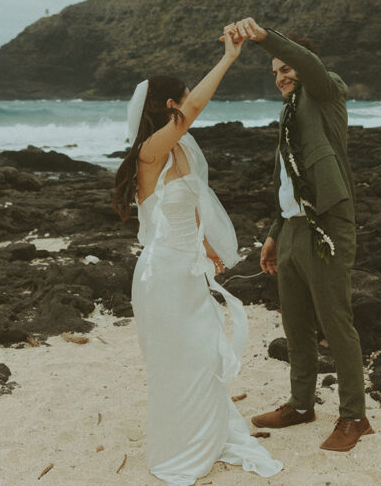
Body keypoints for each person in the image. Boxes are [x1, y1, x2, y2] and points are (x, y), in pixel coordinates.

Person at [112, 26, 283, 485]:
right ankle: (180, 448)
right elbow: (195, 108)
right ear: (172, 107)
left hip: (189, 270)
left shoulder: (181, 149)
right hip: (163, 275)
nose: (191, 105)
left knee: (202, 356)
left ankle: (205, 436)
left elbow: (183, 208)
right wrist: (228, 58)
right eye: (184, 100)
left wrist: (208, 250)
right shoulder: (150, 153)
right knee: (179, 361)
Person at [229, 17, 373, 452]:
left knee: (335, 322)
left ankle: (354, 416)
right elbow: (288, 182)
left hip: (327, 227)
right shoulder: (287, 114)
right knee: (295, 325)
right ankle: (301, 404)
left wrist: (264, 38)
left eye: (285, 67)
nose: (280, 76)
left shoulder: (326, 93)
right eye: (274, 72)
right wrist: (274, 232)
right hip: (292, 230)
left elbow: (307, 64)